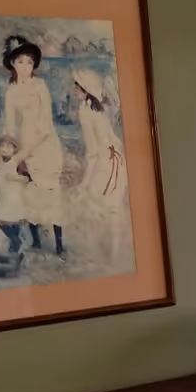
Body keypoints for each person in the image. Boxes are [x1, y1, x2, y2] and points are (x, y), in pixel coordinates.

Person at [2, 35, 65, 255]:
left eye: (29, 62)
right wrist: (12, 151)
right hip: (24, 145)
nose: (25, 66)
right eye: (20, 61)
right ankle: (36, 242)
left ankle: (59, 244)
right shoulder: (10, 91)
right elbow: (10, 125)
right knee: (28, 194)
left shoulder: (40, 85)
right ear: (12, 63)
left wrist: (27, 151)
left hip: (46, 144)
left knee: (51, 193)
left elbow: (47, 123)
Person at [73, 69, 131, 267]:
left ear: (85, 90)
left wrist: (85, 181)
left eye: (78, 87)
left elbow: (93, 152)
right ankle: (110, 255)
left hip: (105, 164)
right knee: (111, 209)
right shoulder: (97, 108)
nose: (74, 90)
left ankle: (99, 255)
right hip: (117, 160)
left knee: (92, 204)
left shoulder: (85, 112)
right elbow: (112, 142)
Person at [0, 135, 31, 253]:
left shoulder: (17, 162)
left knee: (14, 219)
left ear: (14, 149)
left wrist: (16, 178)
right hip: (2, 196)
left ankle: (14, 246)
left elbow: (28, 179)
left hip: (14, 197)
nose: (4, 149)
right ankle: (14, 239)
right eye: (2, 146)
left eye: (8, 147)